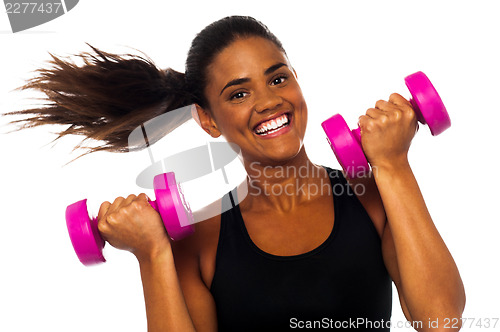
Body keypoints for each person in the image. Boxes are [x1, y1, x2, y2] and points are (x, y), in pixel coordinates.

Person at [7, 16, 465, 332]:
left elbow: (441, 320)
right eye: (239, 94)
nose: (269, 101)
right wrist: (152, 254)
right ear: (207, 120)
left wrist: (393, 164)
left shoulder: (373, 196)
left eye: (278, 78)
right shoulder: (199, 239)